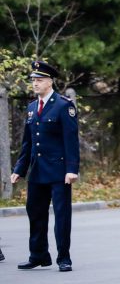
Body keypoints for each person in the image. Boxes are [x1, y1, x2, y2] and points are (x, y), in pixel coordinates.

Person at [10, 60, 80, 272]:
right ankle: (38, 254)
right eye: (33, 80)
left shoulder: (63, 105)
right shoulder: (32, 108)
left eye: (39, 80)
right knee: (35, 212)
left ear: (50, 82)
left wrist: (72, 169)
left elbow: (71, 140)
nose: (35, 84)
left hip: (59, 171)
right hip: (37, 170)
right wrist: (19, 169)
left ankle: (63, 257)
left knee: (61, 215)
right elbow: (28, 142)